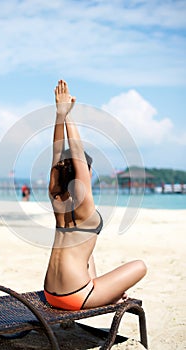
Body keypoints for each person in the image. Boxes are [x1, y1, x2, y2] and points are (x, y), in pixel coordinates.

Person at [44, 80, 147, 311]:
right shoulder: (84, 205)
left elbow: (57, 151)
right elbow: (76, 152)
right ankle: (105, 295)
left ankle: (103, 292)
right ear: (85, 172)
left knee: (88, 251)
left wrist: (59, 114)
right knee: (140, 266)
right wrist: (67, 116)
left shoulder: (56, 198)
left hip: (50, 292)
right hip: (75, 296)